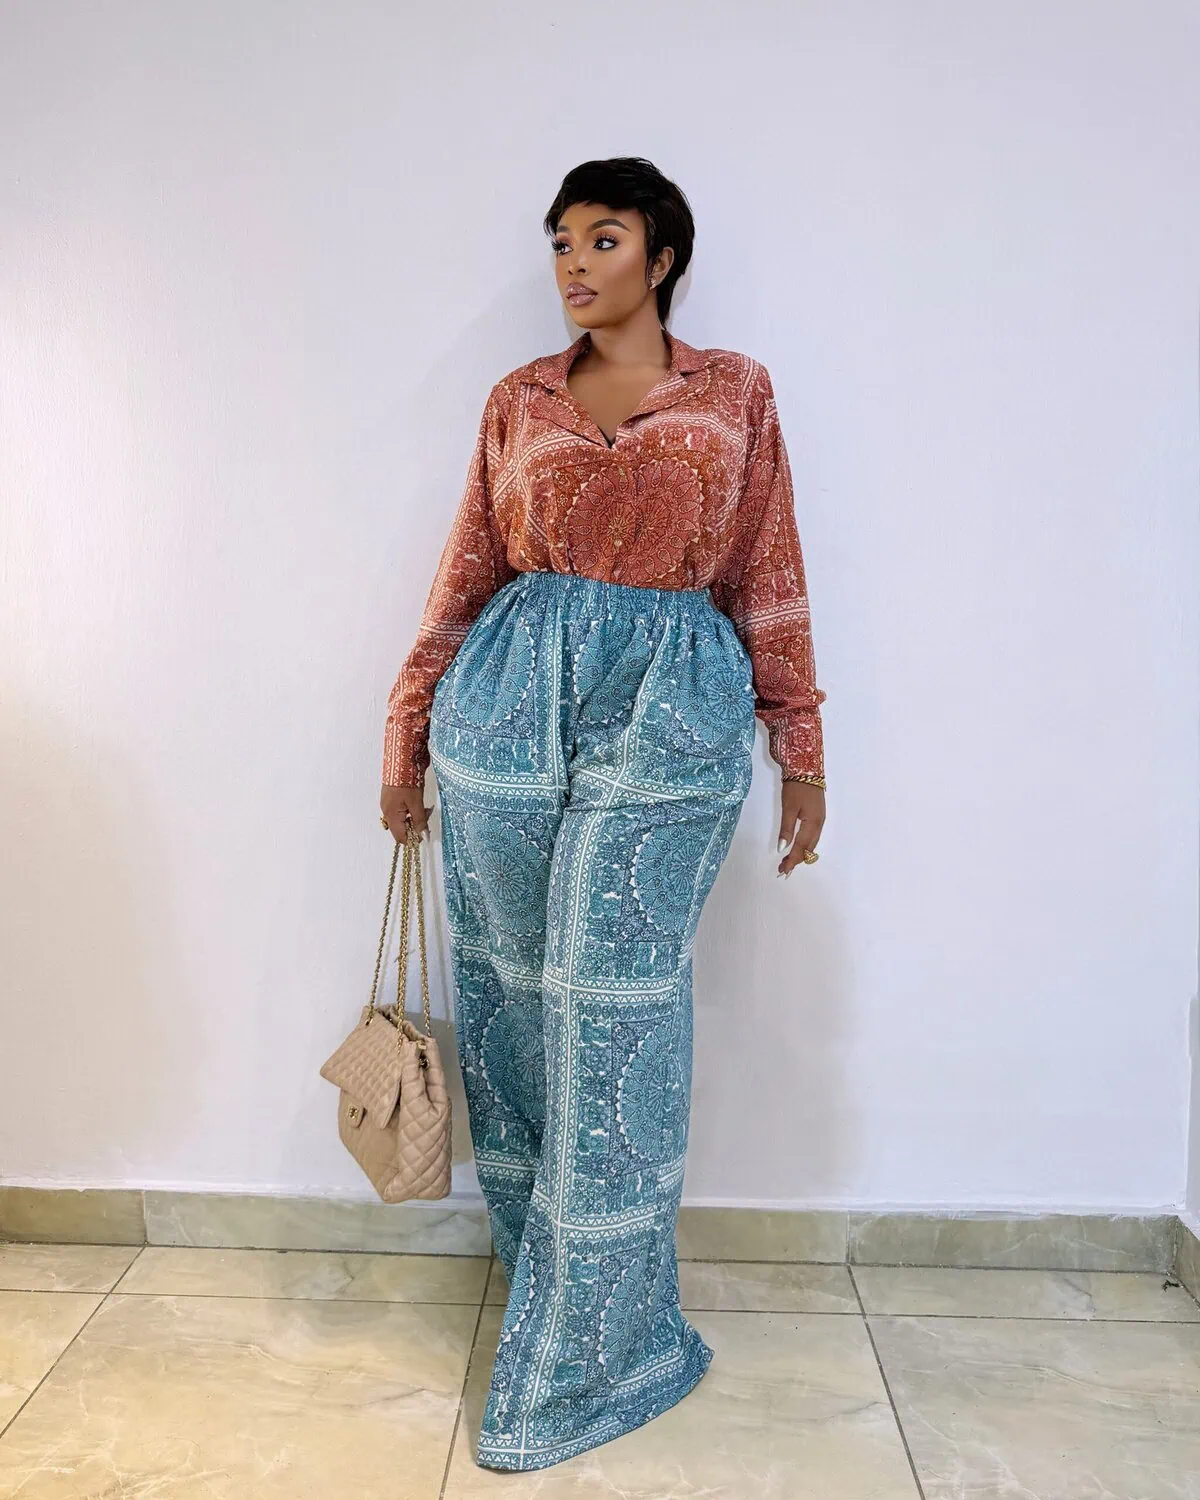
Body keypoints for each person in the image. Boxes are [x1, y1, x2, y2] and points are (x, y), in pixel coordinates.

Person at [378, 156, 827, 1472]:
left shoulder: (734, 392)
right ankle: (544, 1274)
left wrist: (801, 745)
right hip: (506, 710)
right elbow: (468, 565)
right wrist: (407, 725)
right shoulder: (517, 400)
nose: (575, 264)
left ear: (662, 256)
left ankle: (603, 1344)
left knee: (615, 999)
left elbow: (770, 565)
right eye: (562, 242)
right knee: (516, 993)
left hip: (674, 713)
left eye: (604, 238)